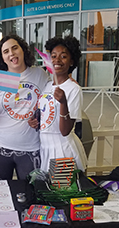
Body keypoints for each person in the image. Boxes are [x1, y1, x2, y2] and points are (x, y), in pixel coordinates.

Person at [0, 35, 50, 180]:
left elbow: (49, 103)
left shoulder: (39, 75)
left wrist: (38, 118)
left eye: (14, 48)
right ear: (3, 58)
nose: (11, 53)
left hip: (30, 147)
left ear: (23, 50)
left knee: (30, 192)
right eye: (6, 52)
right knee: (0, 192)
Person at [35, 36, 87, 172]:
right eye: (53, 56)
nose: (57, 60)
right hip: (45, 147)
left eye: (63, 56)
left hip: (62, 150)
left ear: (71, 62)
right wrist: (34, 121)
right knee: (48, 191)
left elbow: (65, 131)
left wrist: (63, 103)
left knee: (62, 191)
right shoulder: (46, 86)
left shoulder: (73, 89)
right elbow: (45, 116)